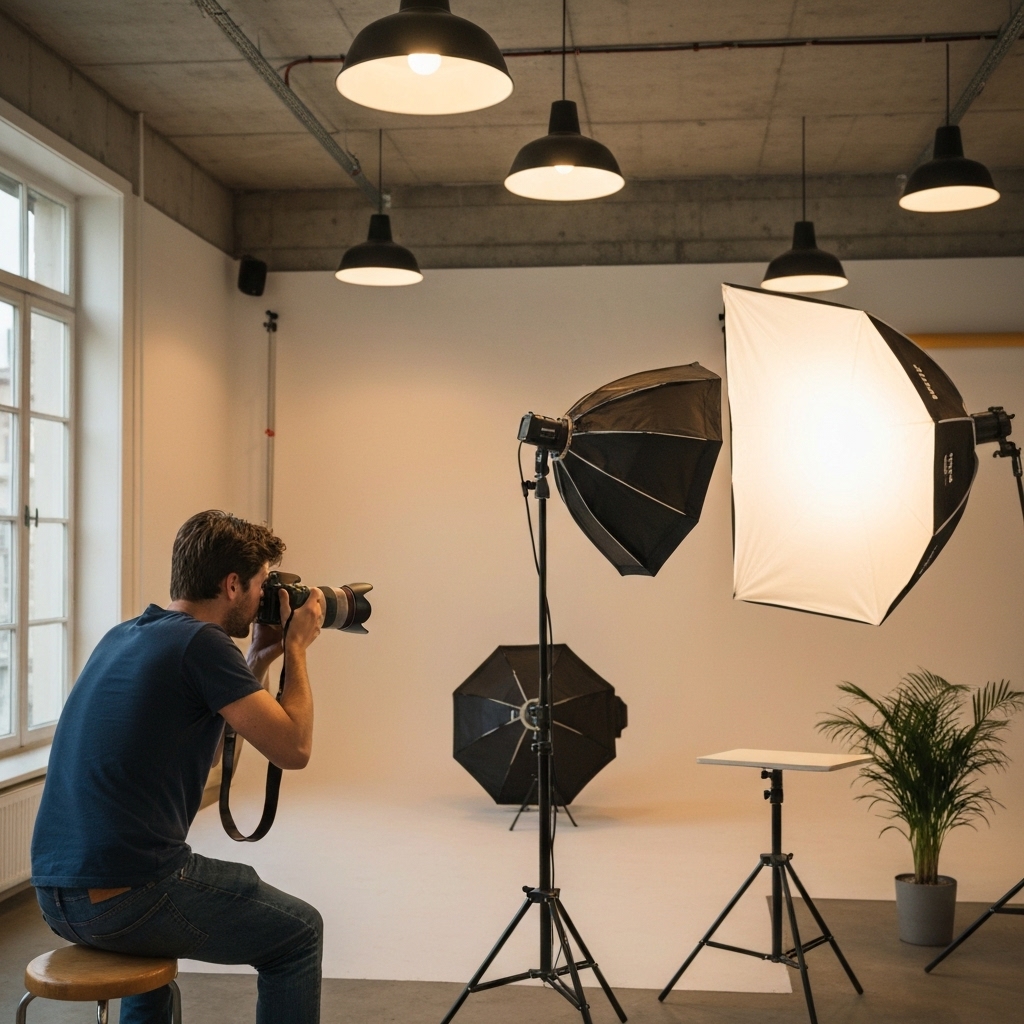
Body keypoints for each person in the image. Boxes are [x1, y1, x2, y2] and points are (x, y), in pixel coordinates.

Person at [31, 510, 327, 1024]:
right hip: (124, 897)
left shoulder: (126, 634)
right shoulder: (202, 644)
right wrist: (296, 650)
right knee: (299, 933)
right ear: (232, 584)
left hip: (58, 897)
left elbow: (203, 750)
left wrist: (256, 658)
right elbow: (294, 749)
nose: (264, 600)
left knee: (151, 951)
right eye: (261, 586)